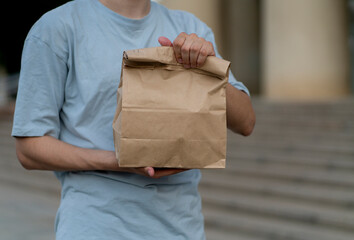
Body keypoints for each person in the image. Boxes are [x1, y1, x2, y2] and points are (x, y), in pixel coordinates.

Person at [12, 0, 256, 239]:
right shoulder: (58, 27)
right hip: (93, 227)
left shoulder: (190, 28)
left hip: (182, 228)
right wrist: (118, 161)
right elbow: (29, 148)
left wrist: (208, 68)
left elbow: (245, 122)